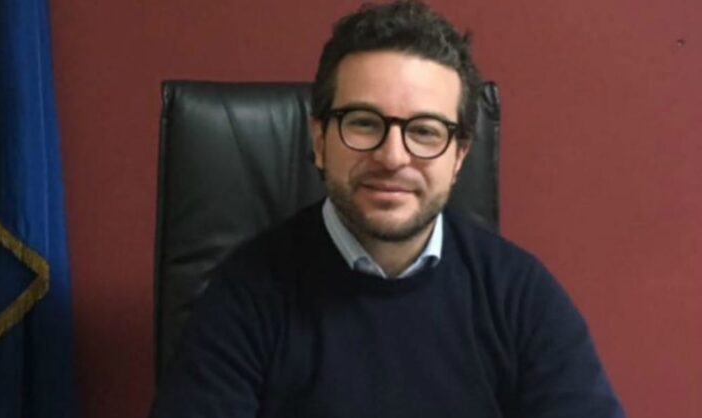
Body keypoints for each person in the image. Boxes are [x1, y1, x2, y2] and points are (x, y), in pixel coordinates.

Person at [150, 1, 625, 417]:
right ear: (319, 139)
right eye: (363, 122)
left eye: (424, 131)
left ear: (459, 156)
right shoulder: (245, 297)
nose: (393, 157)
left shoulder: (521, 297)